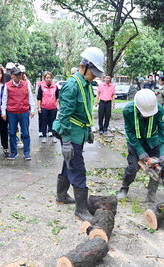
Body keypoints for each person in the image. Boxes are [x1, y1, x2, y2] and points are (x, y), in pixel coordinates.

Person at [52, 47, 105, 221]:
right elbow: (65, 115)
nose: (95, 76)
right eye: (94, 72)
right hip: (70, 133)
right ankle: (81, 210)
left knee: (69, 163)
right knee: (77, 168)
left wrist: (88, 130)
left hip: (80, 132)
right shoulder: (72, 85)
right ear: (84, 66)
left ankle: (61, 196)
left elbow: (87, 110)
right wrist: (66, 141)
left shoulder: (88, 84)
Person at [117, 89, 164, 202]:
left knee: (157, 169)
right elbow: (130, 132)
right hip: (135, 141)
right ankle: (124, 187)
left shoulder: (159, 109)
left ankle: (151, 194)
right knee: (133, 167)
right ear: (137, 107)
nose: (146, 116)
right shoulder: (128, 111)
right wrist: (140, 151)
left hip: (153, 141)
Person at [1, 66, 35, 160]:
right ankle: (13, 152)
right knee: (12, 133)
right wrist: (3, 112)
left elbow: (30, 97)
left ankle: (27, 153)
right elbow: (4, 99)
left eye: (19, 75)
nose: (18, 77)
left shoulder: (25, 84)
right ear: (11, 75)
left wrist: (32, 110)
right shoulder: (7, 85)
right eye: (15, 75)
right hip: (12, 112)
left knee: (25, 133)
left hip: (24, 112)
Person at [37, 71, 59, 143]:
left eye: (50, 78)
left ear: (52, 78)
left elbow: (58, 97)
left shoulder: (55, 86)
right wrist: (39, 107)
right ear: (44, 78)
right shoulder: (42, 86)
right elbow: (39, 98)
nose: (49, 79)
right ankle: (44, 136)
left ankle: (54, 136)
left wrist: (58, 106)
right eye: (47, 78)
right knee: (44, 122)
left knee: (53, 123)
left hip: (53, 108)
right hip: (44, 108)